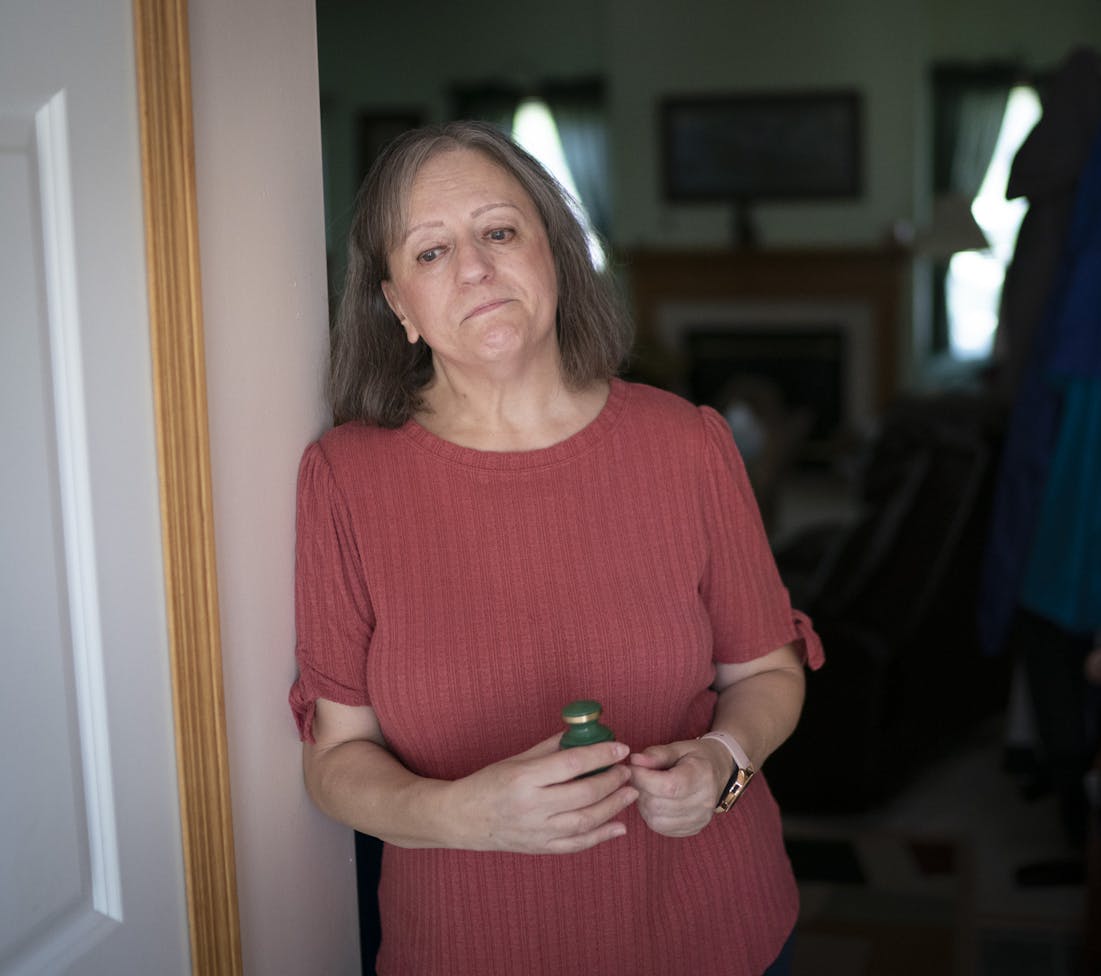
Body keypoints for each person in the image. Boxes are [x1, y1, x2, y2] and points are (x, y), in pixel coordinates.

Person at [288, 120, 824, 976]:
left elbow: (767, 670)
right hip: (466, 949)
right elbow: (336, 760)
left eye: (499, 231)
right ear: (397, 305)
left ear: (556, 256)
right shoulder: (345, 479)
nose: (474, 268)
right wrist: (470, 817)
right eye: (430, 253)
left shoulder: (685, 443)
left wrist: (725, 760)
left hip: (721, 935)